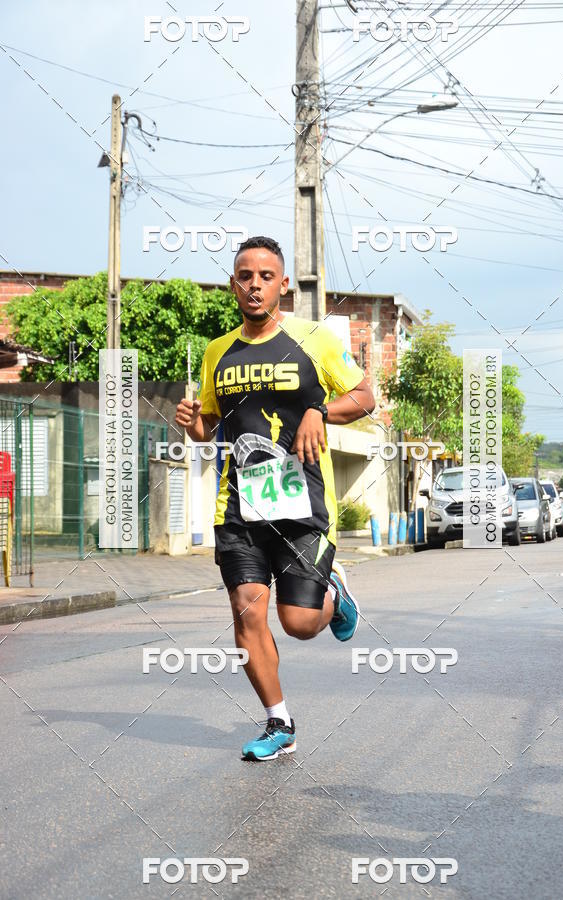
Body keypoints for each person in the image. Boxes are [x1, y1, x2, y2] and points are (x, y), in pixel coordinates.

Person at [175, 236, 375, 761]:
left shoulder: (314, 339)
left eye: (266, 276)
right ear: (233, 285)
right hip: (238, 506)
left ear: (283, 285)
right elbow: (211, 427)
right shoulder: (218, 352)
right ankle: (278, 721)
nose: (255, 285)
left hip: (302, 503)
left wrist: (318, 412)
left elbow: (365, 397)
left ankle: (334, 593)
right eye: (245, 276)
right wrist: (194, 424)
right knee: (246, 611)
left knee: (299, 624)